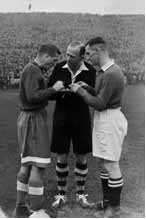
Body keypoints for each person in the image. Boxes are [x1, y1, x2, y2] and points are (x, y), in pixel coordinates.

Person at [70, 37, 128, 218]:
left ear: (98, 51)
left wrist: (80, 92)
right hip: (104, 119)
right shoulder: (103, 71)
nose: (86, 58)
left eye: (88, 53)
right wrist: (87, 87)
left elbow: (101, 103)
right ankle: (107, 202)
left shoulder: (112, 73)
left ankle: (114, 208)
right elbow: (101, 94)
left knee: (111, 164)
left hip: (110, 118)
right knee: (104, 163)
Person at [15, 44, 64, 218]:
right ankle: (36, 212)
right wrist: (54, 89)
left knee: (26, 165)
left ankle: (21, 208)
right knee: (37, 166)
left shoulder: (33, 69)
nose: (54, 63)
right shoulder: (33, 70)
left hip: (28, 119)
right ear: (44, 55)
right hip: (33, 120)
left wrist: (54, 91)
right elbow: (32, 96)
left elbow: (34, 94)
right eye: (53, 59)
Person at [48, 41, 96, 208]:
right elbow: (49, 93)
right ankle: (61, 195)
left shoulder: (90, 70)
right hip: (61, 119)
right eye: (67, 54)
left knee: (81, 156)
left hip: (81, 119)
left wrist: (86, 88)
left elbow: (97, 94)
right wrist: (58, 90)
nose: (67, 58)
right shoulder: (59, 67)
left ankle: (81, 194)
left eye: (72, 56)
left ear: (81, 57)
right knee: (61, 156)